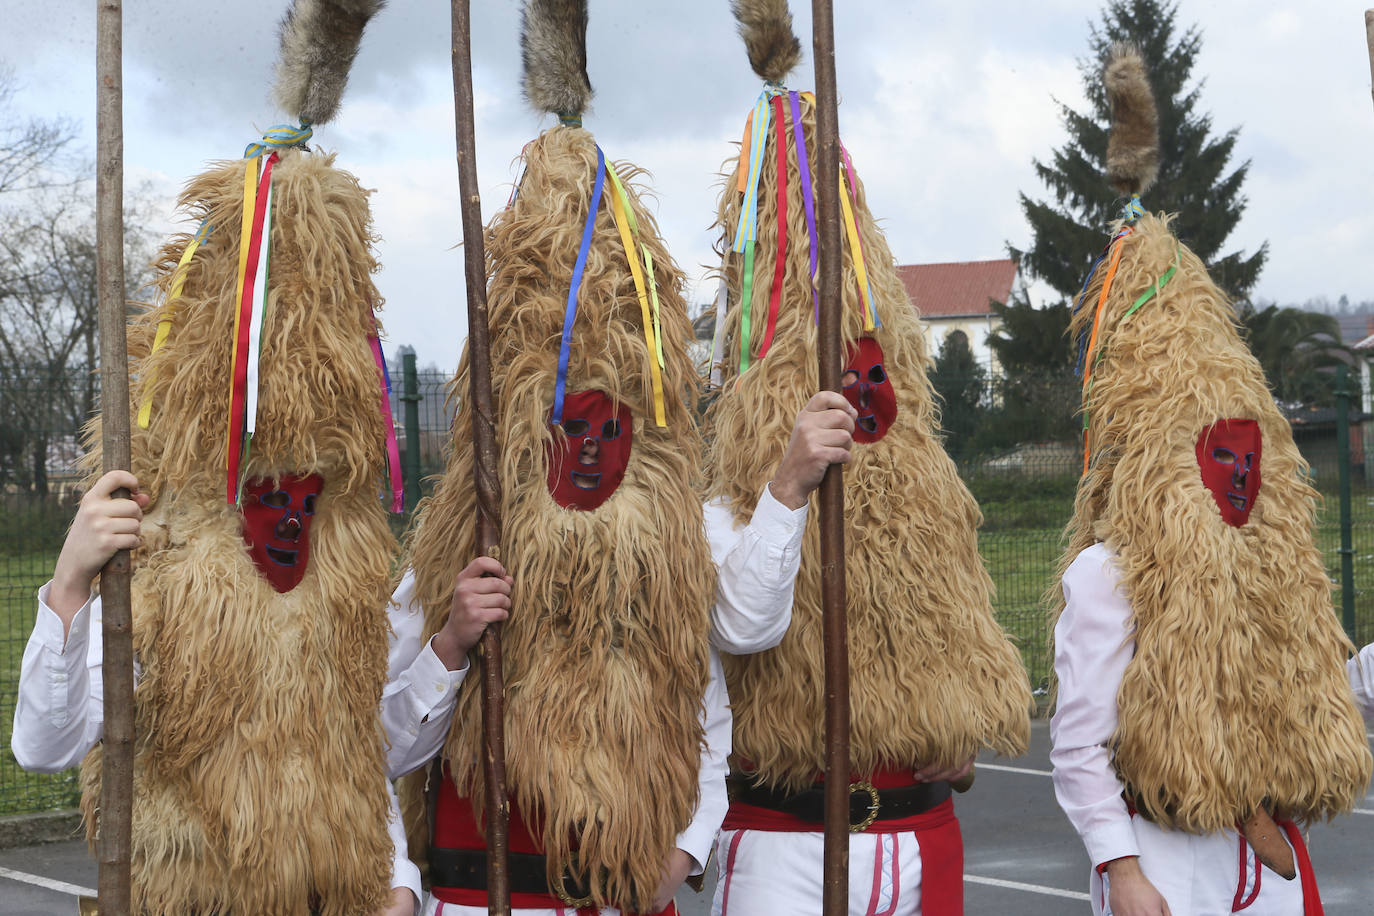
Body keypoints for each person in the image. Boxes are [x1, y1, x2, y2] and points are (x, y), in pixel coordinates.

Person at [699, 6, 1032, 914]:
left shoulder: (929, 486)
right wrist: (788, 486)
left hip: (922, 839)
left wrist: (959, 739)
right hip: (785, 844)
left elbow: (960, 636)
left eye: (869, 366)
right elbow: (740, 628)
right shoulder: (727, 494)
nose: (859, 391)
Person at [1048, 45, 1371, 916]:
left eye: (1247, 455)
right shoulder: (1108, 574)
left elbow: (1316, 686)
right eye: (1213, 455)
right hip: (1166, 859)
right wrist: (1122, 870)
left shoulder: (1273, 569)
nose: (1237, 475)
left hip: (1260, 861)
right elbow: (1078, 749)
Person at [13, 469, 434, 916]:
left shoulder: (336, 616)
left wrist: (397, 881)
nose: (293, 523)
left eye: (308, 507)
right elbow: (45, 746)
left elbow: (354, 757)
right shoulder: (156, 604)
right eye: (270, 499)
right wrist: (69, 582)